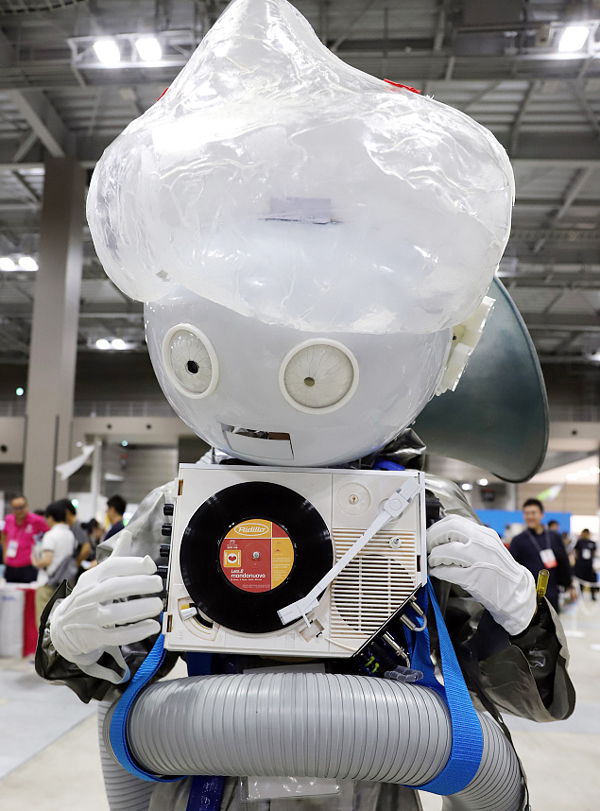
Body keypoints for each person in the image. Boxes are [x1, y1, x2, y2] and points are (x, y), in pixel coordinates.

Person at [35, 2, 575, 809]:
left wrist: (519, 611)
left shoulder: (427, 517)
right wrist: (68, 637)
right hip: (203, 785)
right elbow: (100, 673)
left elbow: (535, 703)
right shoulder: (175, 515)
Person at [509, 498, 574, 612]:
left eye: (533, 513)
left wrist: (570, 585)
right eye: (527, 513)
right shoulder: (518, 541)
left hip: (552, 591)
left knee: (552, 626)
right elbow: (511, 568)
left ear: (541, 514)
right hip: (527, 595)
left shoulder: (554, 537)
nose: (530, 516)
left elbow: (564, 562)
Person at [31, 501, 75, 624]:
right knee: (59, 623)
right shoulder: (70, 535)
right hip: (63, 584)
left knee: (43, 623)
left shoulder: (50, 535)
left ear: (50, 517)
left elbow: (47, 560)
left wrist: (34, 562)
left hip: (48, 583)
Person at [0, 495, 48, 583]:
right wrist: (4, 554)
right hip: (10, 564)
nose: (18, 511)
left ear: (26, 506)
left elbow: (49, 533)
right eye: (15, 508)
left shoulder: (37, 520)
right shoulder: (8, 519)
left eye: (21, 507)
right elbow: (4, 535)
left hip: (28, 565)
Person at [573, 528, 598, 601]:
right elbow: (576, 551)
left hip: (589, 565)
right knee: (580, 581)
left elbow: (594, 552)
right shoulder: (579, 542)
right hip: (581, 565)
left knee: (592, 581)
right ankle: (580, 595)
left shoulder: (592, 543)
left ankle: (593, 595)